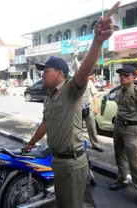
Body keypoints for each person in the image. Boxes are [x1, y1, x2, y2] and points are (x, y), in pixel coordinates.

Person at [23, 11, 115, 208]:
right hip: (57, 161)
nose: (43, 75)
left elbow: (83, 71)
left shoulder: (70, 90)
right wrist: (30, 144)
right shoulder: (50, 96)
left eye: (46, 72)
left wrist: (97, 42)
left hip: (71, 164)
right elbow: (46, 124)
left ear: (60, 74)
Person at [109, 65, 137, 208]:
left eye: (126, 74)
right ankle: (122, 181)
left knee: (135, 164)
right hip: (119, 126)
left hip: (132, 129)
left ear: (134, 77)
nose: (122, 77)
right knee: (119, 157)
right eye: (121, 74)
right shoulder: (119, 91)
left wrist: (136, 126)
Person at [82, 75, 103, 152]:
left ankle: (96, 145)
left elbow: (94, 95)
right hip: (77, 109)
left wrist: (96, 107)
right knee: (77, 129)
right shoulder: (74, 82)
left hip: (87, 107)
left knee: (92, 127)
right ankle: (79, 145)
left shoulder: (89, 83)